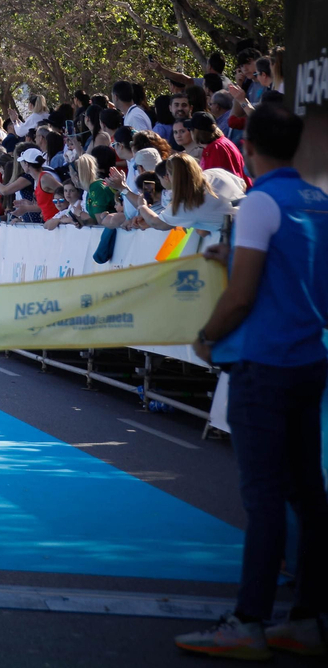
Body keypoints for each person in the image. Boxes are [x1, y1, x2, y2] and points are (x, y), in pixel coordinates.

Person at [177, 105, 328, 659]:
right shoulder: (319, 201)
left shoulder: (260, 201)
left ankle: (249, 621)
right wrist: (233, 253)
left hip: (263, 364)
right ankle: (308, 617)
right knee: (308, 493)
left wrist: (207, 335)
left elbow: (240, 296)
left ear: (251, 144)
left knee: (263, 496)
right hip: (309, 360)